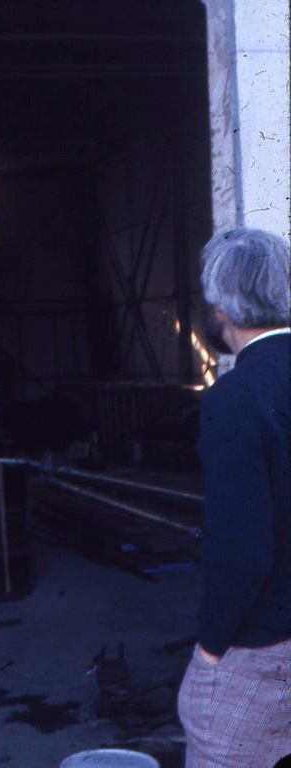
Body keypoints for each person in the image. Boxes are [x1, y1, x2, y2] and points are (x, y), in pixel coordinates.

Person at [178, 227, 291, 767]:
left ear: (220, 306)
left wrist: (211, 647)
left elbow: (243, 551)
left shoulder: (236, 398)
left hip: (265, 645)